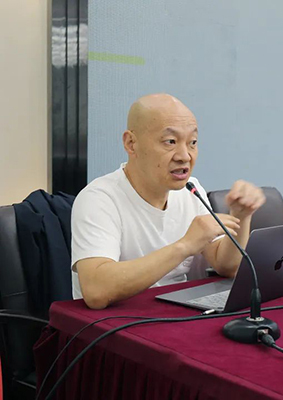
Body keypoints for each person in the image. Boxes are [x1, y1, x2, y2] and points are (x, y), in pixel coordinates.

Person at [71, 94, 265, 310]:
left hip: (173, 311)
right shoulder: (99, 198)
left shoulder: (190, 189)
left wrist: (241, 217)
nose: (184, 156)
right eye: (170, 142)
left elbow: (226, 266)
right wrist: (185, 246)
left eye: (192, 143)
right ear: (131, 143)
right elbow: (96, 291)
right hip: (115, 321)